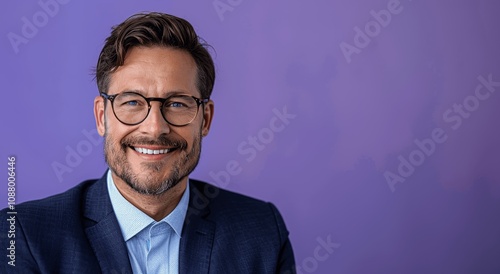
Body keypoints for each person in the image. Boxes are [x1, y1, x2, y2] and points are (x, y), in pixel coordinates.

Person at [0, 12, 295, 273]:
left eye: (178, 104)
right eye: (132, 102)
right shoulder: (23, 235)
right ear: (102, 117)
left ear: (205, 119)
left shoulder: (262, 233)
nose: (155, 128)